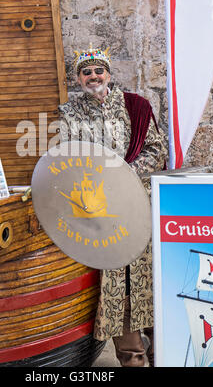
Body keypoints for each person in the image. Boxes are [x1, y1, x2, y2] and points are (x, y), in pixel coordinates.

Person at [58, 44, 168, 367]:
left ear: (108, 73)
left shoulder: (136, 106)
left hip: (138, 208)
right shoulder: (70, 114)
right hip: (102, 213)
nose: (93, 77)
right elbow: (70, 160)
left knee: (148, 280)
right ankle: (132, 358)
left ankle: (162, 352)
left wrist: (124, 174)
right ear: (79, 78)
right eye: (86, 72)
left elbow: (155, 149)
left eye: (98, 70)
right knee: (117, 286)